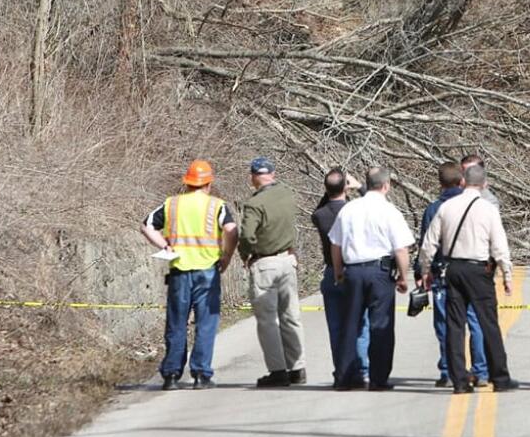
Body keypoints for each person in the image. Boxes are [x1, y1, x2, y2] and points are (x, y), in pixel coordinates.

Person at [419, 161, 519, 394]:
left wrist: (425, 271)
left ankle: (459, 381)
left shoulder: (447, 207)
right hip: (479, 269)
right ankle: (499, 377)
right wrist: (506, 273)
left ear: (464, 182)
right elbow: (499, 245)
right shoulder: (488, 209)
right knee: (488, 322)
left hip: (453, 268)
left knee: (455, 324)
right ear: (484, 184)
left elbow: (429, 243)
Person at [139, 160, 238, 391]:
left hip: (179, 271)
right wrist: (227, 257)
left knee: (176, 323)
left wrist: (166, 247)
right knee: (205, 324)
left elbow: (146, 226)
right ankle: (201, 375)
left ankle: (172, 375)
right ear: (209, 183)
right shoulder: (217, 206)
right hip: (207, 272)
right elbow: (232, 230)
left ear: (188, 183)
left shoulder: (171, 204)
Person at [327, 167, 414, 391]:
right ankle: (378, 379)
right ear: (386, 186)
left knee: (350, 325)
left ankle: (344, 377)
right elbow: (401, 249)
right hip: (380, 272)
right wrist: (404, 277)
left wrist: (338, 271)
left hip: (353, 271)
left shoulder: (349, 209)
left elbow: (335, 244)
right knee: (380, 326)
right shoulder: (389, 211)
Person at [413, 162, 490, 387]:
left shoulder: (435, 209)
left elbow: (427, 244)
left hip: (443, 273)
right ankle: (481, 370)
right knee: (474, 321)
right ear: (462, 181)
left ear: (440, 183)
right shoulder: (477, 205)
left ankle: (448, 369)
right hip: (474, 270)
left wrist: (422, 271)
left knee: (446, 323)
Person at [238, 155, 306, 388]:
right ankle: (298, 368)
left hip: (265, 262)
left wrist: (245, 254)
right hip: (288, 259)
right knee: (291, 315)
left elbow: (247, 235)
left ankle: (278, 371)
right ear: (273, 174)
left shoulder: (254, 204)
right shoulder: (288, 195)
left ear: (253, 178)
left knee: (268, 320)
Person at [311, 169, 369, 384]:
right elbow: (376, 206)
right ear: (345, 187)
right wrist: (360, 187)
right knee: (360, 325)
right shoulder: (355, 211)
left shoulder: (320, 215)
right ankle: (361, 370)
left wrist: (333, 189)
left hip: (331, 272)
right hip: (354, 269)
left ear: (326, 190)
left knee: (336, 327)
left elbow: (318, 209)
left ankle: (342, 372)